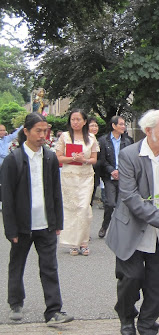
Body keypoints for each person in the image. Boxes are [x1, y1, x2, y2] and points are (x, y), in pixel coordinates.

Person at [105, 109, 159, 335]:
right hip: (132, 229)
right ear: (148, 131)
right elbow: (129, 196)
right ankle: (126, 317)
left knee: (155, 283)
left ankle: (148, 327)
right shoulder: (129, 155)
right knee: (130, 278)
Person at [2, 112, 73, 325]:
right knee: (17, 264)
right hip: (22, 225)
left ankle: (53, 311)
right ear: (26, 132)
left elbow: (55, 192)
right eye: (38, 131)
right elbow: (7, 197)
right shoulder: (13, 160)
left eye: (45, 131)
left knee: (49, 267)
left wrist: (57, 222)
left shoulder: (50, 157)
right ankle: (15, 302)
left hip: (46, 223)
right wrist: (11, 229)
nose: (43, 135)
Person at [55, 109, 99, 256]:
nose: (75, 122)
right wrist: (72, 159)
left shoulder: (91, 138)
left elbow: (94, 159)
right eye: (73, 119)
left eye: (78, 119)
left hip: (86, 176)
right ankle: (73, 243)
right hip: (69, 176)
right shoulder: (65, 137)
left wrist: (83, 160)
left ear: (85, 121)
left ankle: (84, 241)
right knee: (71, 209)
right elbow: (58, 157)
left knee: (84, 208)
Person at [97, 116, 133, 238]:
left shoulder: (128, 141)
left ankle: (120, 229)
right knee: (110, 203)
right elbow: (102, 160)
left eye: (124, 124)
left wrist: (121, 171)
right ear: (114, 126)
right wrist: (112, 170)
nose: (123, 127)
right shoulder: (103, 141)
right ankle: (104, 226)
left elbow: (130, 159)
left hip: (124, 177)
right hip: (109, 177)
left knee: (123, 204)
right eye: (121, 124)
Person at [0, 123, 23, 209]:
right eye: (0, 130)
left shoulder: (6, 139)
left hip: (4, 165)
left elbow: (15, 135)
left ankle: (3, 201)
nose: (2, 132)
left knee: (5, 183)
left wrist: (23, 126)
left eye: (3, 130)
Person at [88, 117, 102, 206]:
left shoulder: (99, 141)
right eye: (92, 126)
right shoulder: (83, 140)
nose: (95, 128)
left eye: (96, 126)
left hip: (95, 173)